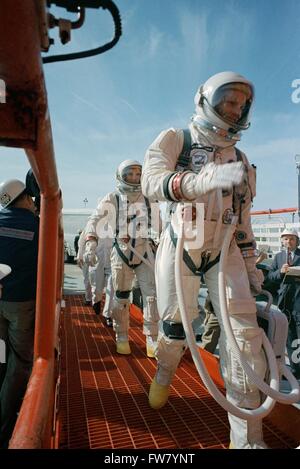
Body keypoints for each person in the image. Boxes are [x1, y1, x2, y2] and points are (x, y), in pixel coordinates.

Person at [141, 71, 267, 449]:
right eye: (227, 101)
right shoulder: (177, 139)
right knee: (175, 326)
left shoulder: (241, 159)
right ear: (207, 101)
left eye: (239, 104)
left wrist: (251, 268)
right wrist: (195, 183)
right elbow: (151, 180)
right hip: (180, 245)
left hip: (224, 250)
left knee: (243, 338)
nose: (233, 108)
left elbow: (242, 221)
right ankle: (165, 371)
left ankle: (247, 440)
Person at [84, 160, 160, 357]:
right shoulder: (113, 198)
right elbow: (95, 220)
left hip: (144, 251)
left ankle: (152, 338)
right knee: (121, 297)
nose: (134, 178)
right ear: (121, 176)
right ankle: (122, 336)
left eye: (137, 174)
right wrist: (91, 244)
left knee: (151, 297)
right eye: (130, 174)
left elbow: (163, 223)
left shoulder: (148, 198)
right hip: (122, 252)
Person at [0, 179, 39, 448]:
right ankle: (4, 419)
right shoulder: (37, 225)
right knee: (21, 360)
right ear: (24, 198)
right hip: (21, 303)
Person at [266, 228, 300, 379]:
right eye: (285, 239)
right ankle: (295, 370)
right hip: (285, 304)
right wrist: (280, 272)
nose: (288, 242)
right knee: (290, 338)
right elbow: (270, 278)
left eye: (291, 239)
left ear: (297, 241)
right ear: (282, 241)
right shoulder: (279, 257)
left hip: (299, 302)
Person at [76, 228, 92, 306]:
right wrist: (79, 257)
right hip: (87, 259)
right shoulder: (86, 230)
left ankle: (92, 298)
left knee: (93, 279)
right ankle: (89, 298)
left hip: (97, 259)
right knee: (87, 279)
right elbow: (81, 244)